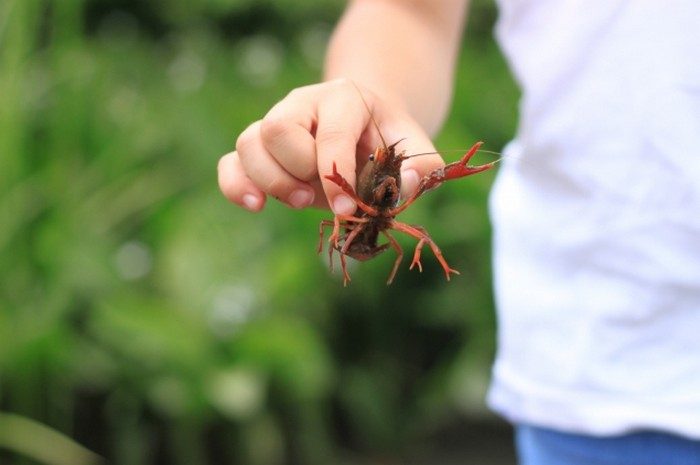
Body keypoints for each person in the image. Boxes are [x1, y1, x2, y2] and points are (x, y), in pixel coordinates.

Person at [218, 1, 700, 463]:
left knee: (421, 234)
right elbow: (409, 9)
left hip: (616, 357)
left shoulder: (389, 197)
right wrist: (367, 98)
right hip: (603, 376)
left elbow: (418, 230)